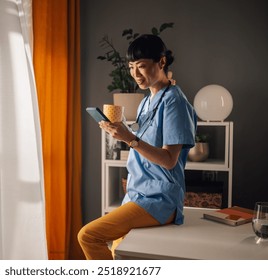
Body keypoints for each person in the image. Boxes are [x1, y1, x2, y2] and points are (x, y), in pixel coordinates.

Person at [78, 34, 197, 260]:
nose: (135, 73)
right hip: (136, 193)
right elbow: (142, 141)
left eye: (141, 66)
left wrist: (130, 139)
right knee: (117, 253)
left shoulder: (175, 102)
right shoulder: (146, 101)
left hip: (159, 198)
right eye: (132, 67)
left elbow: (169, 160)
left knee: (88, 236)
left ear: (161, 62)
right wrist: (121, 132)